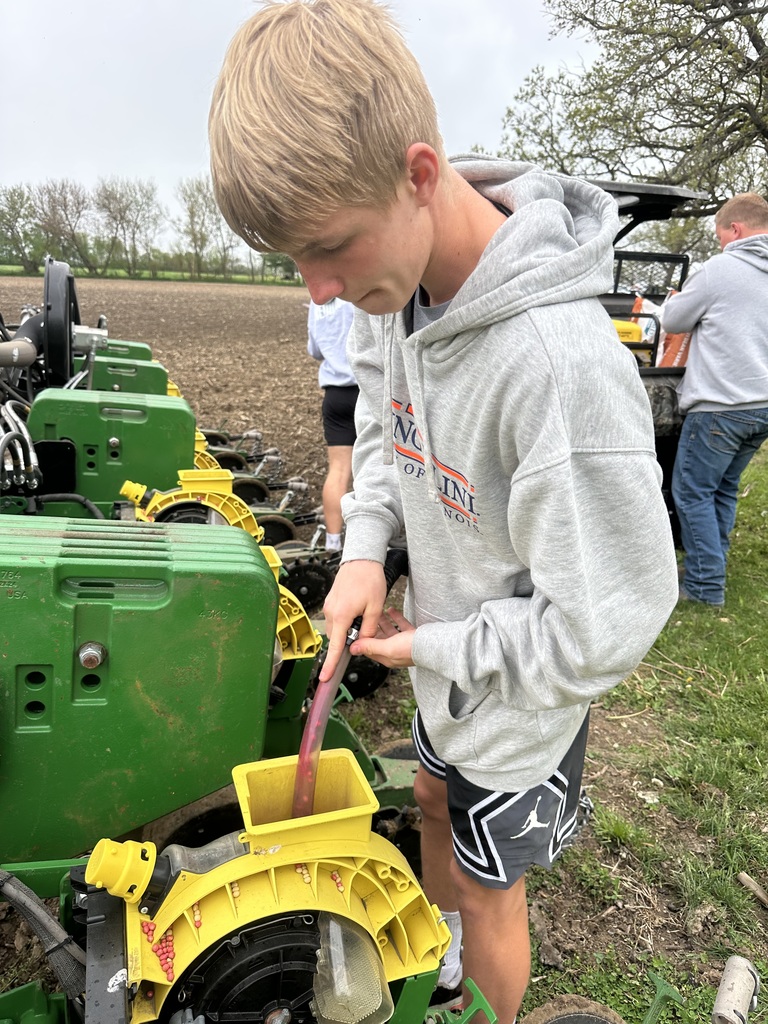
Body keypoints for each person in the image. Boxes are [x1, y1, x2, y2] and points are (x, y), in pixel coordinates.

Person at [208, 3, 679, 1021]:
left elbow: (607, 626)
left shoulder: (557, 373)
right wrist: (367, 553)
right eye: (296, 262)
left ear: (421, 173)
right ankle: (437, 963)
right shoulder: (398, 294)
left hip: (511, 703)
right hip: (440, 669)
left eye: (329, 249)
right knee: (426, 799)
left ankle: (489, 1004)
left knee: (492, 882)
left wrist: (442, 646)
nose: (320, 289)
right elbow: (383, 430)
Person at [661, 192, 768, 607]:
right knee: (722, 489)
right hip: (761, 405)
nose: (720, 243)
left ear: (735, 230)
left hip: (721, 407)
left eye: (720, 234)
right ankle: (711, 565)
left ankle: (705, 587)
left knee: (691, 493)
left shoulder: (719, 269)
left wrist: (676, 298)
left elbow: (673, 320)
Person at [307, 297, 359, 551]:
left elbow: (315, 349)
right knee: (372, 471)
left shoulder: (318, 302)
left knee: (338, 470)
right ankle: (369, 543)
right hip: (366, 392)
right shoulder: (358, 291)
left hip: (335, 395)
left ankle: (333, 543)